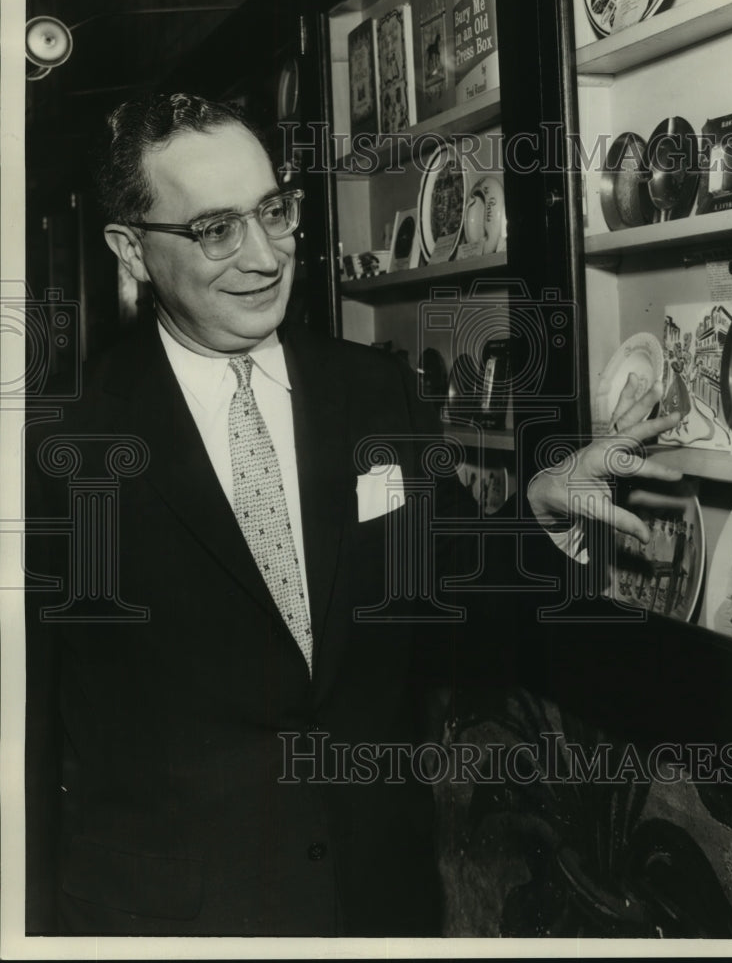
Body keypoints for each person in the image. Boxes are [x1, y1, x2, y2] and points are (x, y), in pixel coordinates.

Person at [25, 93, 680, 937]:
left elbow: (436, 575)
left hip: (375, 902)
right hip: (165, 920)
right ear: (132, 249)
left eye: (274, 211)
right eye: (216, 229)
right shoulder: (62, 443)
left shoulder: (374, 391)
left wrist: (542, 515)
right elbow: (27, 737)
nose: (265, 256)